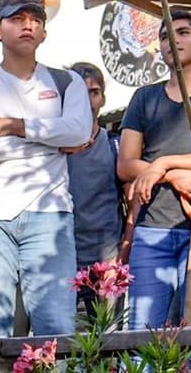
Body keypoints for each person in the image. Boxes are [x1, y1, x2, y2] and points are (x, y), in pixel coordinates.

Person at [0, 0, 92, 338]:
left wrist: (9, 125)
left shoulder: (67, 82)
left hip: (50, 213)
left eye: (35, 19)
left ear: (44, 32)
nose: (28, 25)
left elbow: (79, 132)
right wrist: (53, 142)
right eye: (17, 18)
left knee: (56, 328)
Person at [118, 11, 191, 373]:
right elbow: (125, 164)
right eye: (166, 36)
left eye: (183, 32)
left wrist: (164, 163)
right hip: (152, 228)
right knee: (141, 337)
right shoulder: (144, 97)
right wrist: (173, 177)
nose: (173, 40)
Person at [65, 61, 124, 313]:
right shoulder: (53, 149)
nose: (88, 100)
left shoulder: (115, 146)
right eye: (80, 91)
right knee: (57, 334)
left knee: (108, 333)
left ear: (103, 98)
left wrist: (123, 252)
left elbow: (132, 201)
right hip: (62, 258)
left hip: (106, 260)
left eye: (94, 92)